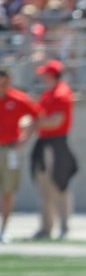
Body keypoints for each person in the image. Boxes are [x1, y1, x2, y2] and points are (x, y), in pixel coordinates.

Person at [30, 59, 77, 240]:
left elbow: (56, 121)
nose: (41, 77)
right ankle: (46, 227)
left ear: (51, 75)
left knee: (60, 185)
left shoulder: (61, 93)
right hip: (44, 143)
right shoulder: (47, 93)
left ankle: (63, 226)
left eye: (44, 74)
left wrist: (33, 124)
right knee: (44, 188)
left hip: (56, 143)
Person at [0, 68, 40, 243]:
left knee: (8, 189)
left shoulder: (17, 98)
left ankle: (3, 229)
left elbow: (36, 115)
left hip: (10, 149)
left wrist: (24, 137)